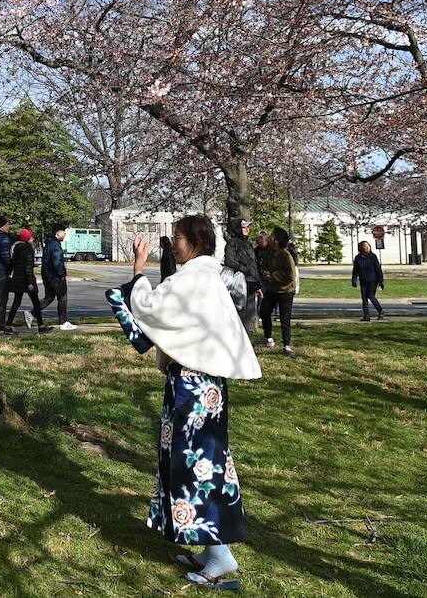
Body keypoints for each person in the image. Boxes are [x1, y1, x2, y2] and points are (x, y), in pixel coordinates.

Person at [104, 216, 261, 590]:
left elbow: (150, 311)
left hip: (193, 386)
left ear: (195, 241)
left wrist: (138, 270)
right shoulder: (206, 276)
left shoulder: (191, 279)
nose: (172, 244)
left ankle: (220, 554)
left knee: (195, 464)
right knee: (207, 462)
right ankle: (209, 547)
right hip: (206, 384)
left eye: (177, 238)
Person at [259, 227, 297, 355]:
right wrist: (266, 275)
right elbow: (263, 267)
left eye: (272, 236)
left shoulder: (286, 255)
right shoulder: (269, 252)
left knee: (284, 318)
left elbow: (291, 275)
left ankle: (286, 345)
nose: (269, 237)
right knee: (264, 311)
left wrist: (274, 276)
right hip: (272, 289)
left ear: (277, 241)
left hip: (286, 291)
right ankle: (268, 338)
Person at [6, 228, 47, 333]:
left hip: (17, 278)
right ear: (27, 238)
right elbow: (28, 267)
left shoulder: (17, 249)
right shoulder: (28, 250)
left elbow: (14, 264)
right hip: (26, 279)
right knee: (36, 303)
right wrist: (30, 282)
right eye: (31, 237)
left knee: (16, 302)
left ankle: (9, 324)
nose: (33, 239)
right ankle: (41, 325)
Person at [223, 218, 263, 327]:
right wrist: (243, 268)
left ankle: (245, 339)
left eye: (247, 226)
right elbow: (229, 261)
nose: (247, 229)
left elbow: (254, 265)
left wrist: (257, 285)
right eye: (244, 227)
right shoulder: (232, 243)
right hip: (239, 284)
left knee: (248, 317)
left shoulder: (248, 244)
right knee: (238, 315)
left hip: (251, 284)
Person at [42, 223, 75, 331]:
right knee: (62, 298)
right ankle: (63, 322)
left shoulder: (50, 243)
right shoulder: (55, 245)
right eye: (64, 232)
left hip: (47, 275)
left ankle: (31, 313)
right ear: (58, 233)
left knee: (49, 297)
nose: (65, 234)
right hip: (55, 276)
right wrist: (61, 274)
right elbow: (57, 262)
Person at [351, 241, 386, 321]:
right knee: (364, 297)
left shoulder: (373, 257)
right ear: (361, 248)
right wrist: (354, 280)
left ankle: (380, 311)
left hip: (373, 280)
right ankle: (366, 315)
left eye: (368, 246)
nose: (367, 248)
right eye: (365, 247)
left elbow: (378, 269)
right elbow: (355, 270)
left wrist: (381, 281)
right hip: (363, 280)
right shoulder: (358, 258)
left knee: (370, 295)